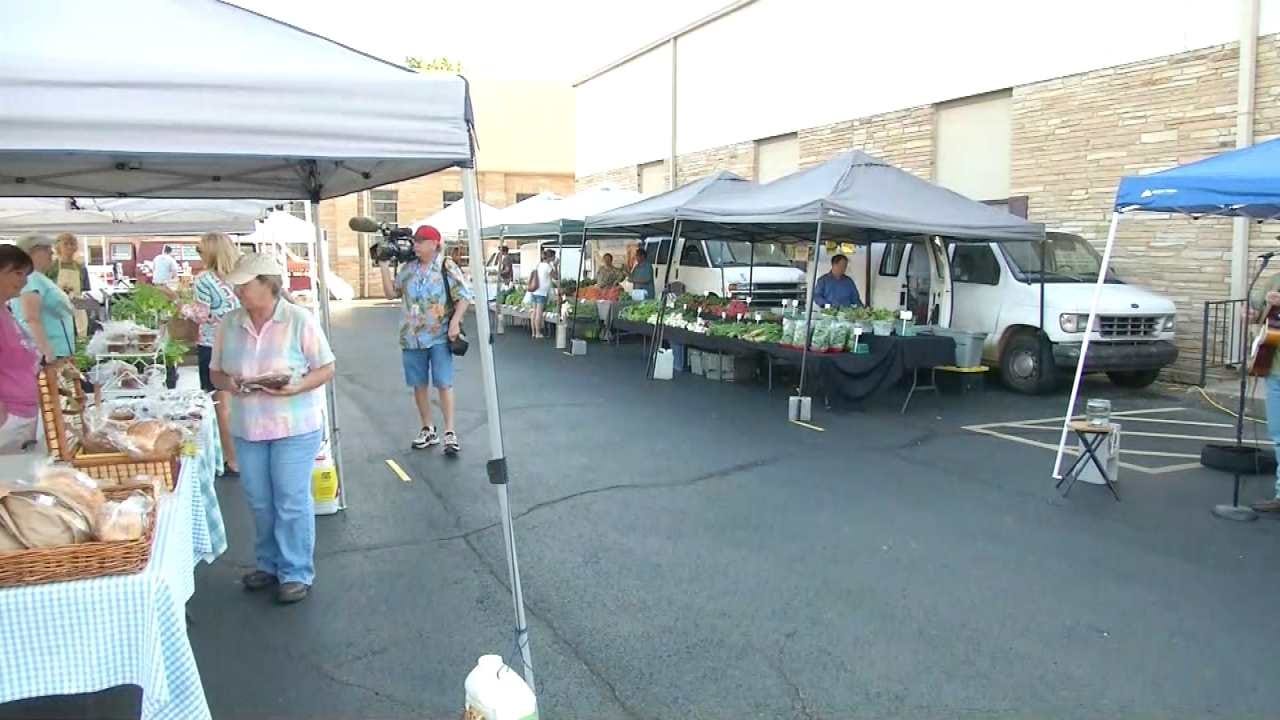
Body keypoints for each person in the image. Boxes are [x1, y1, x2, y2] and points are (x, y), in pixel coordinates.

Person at [209, 253, 336, 604]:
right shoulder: (229, 324)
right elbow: (215, 373)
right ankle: (269, 564)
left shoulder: (298, 320)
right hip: (249, 427)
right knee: (260, 500)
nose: (238, 291)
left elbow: (326, 368)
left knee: (291, 500)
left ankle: (295, 572)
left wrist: (297, 385)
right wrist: (232, 383)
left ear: (268, 284)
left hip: (295, 426)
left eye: (245, 284)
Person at [378, 225, 472, 455]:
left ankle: (450, 432)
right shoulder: (408, 268)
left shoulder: (445, 266)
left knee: (443, 382)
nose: (416, 246)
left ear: (434, 243)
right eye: (415, 242)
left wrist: (455, 322)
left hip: (439, 335)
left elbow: (465, 295)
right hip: (411, 337)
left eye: (420, 241)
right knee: (418, 384)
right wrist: (382, 265)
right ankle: (428, 428)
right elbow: (391, 293)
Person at [188, 232, 242, 475]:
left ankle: (232, 459)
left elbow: (201, 315)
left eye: (200, 250)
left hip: (213, 345)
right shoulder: (239, 278)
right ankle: (243, 453)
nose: (199, 254)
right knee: (241, 399)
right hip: (241, 343)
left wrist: (179, 306)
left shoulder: (204, 280)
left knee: (221, 404)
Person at [8, 235, 75, 363]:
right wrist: (46, 352)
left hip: (59, 351)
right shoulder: (31, 278)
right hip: (49, 354)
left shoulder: (38, 277)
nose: (52, 252)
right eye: (46, 249)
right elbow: (31, 317)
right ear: (31, 252)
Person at [0, 245, 40, 454]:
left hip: (21, 413)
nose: (23, 281)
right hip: (8, 417)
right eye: (17, 273)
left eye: (25, 274)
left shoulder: (5, 310)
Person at [1250, 279, 1280, 513]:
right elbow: (1259, 309)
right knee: (1278, 434)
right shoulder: (1277, 277)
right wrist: (1253, 312)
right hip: (1275, 368)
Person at [47, 233, 91, 337]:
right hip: (55, 307)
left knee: (79, 334)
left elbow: (84, 290)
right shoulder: (51, 267)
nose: (69, 247)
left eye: (72, 244)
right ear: (58, 247)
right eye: (65, 244)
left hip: (77, 307)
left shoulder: (81, 268)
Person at [529, 248, 555, 339]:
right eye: (553, 257)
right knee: (539, 313)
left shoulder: (539, 265)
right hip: (541, 292)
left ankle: (533, 332)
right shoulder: (548, 267)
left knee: (534, 311)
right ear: (550, 257)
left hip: (534, 290)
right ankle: (538, 333)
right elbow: (556, 276)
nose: (554, 258)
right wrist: (556, 265)